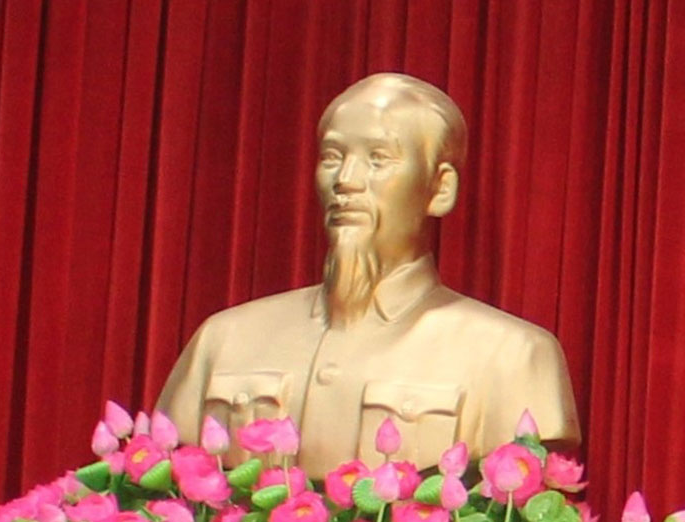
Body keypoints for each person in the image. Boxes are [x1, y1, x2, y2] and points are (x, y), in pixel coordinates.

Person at [156, 72, 577, 466]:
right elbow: (163, 486)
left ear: (440, 188)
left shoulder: (512, 356)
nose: (347, 179)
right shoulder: (224, 339)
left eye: (378, 158)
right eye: (332, 157)